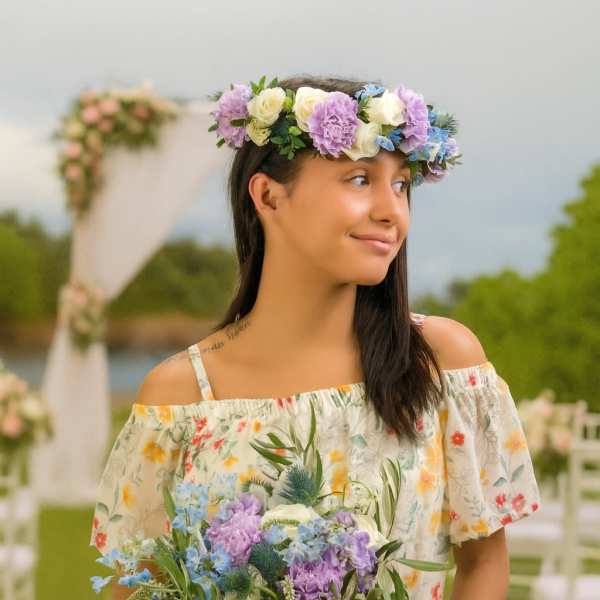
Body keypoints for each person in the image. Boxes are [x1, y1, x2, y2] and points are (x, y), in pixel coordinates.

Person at [90, 75, 541, 600]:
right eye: (359, 179)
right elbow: (135, 586)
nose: (391, 211)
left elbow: (484, 564)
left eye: (400, 185)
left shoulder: (441, 363)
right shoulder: (180, 398)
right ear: (268, 196)